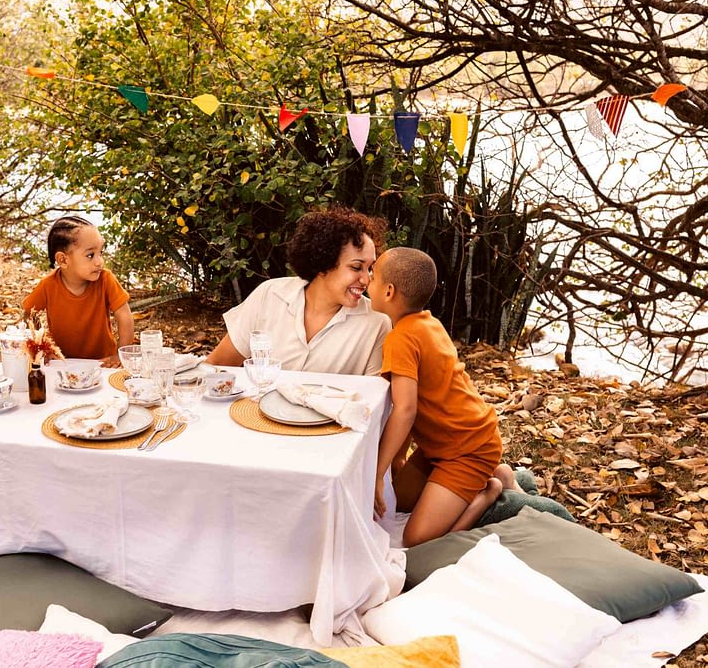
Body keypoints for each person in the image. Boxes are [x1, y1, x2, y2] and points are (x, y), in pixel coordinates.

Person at [367, 247, 518, 547]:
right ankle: (495, 472)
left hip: (469, 450)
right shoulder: (428, 322)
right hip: (442, 446)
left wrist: (376, 473)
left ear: (388, 291)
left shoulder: (400, 339)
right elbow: (421, 399)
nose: (367, 281)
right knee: (400, 502)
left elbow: (405, 410)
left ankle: (488, 492)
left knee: (416, 538)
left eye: (373, 276)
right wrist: (398, 457)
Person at [205, 205, 391, 375]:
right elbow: (217, 365)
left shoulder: (377, 323)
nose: (366, 279)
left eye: (370, 268)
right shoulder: (270, 296)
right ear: (323, 263)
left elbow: (375, 396)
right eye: (356, 267)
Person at [22, 215, 135, 368]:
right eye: (90, 255)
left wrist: (120, 356)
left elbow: (125, 317)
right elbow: (28, 314)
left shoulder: (106, 280)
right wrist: (42, 346)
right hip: (63, 364)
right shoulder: (48, 285)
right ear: (63, 260)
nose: (99, 261)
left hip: (103, 363)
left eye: (100, 253)